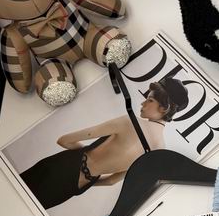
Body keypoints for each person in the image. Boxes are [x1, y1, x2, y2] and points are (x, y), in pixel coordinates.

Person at [20, 78, 189, 209]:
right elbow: (111, 181)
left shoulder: (130, 122)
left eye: (150, 100)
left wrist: (86, 155)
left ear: (164, 108)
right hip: (75, 187)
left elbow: (64, 140)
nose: (142, 103)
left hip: (62, 167)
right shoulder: (159, 153)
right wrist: (89, 177)